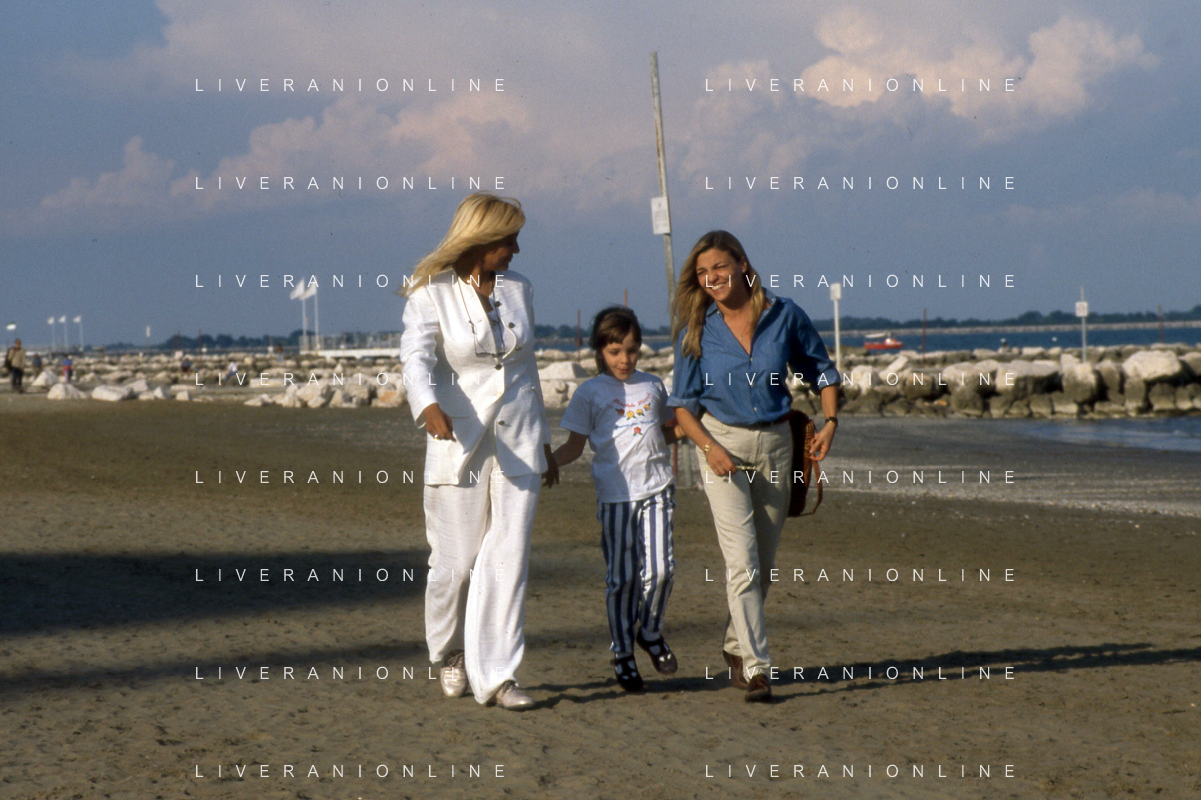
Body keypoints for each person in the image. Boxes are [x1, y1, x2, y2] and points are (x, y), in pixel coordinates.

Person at [399, 192, 557, 711]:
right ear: (482, 239)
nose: (516, 250)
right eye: (509, 240)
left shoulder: (520, 288)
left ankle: (498, 676)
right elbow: (415, 359)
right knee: (456, 562)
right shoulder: (431, 293)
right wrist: (427, 405)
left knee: (508, 558)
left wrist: (543, 437)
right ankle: (450, 652)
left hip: (519, 438)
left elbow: (526, 368)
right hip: (458, 440)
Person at [668, 230, 841, 703]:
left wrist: (830, 422)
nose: (711, 278)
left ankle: (734, 645)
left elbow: (823, 371)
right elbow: (681, 407)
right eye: (703, 273)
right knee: (741, 563)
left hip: (778, 446)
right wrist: (709, 448)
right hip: (721, 446)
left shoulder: (784, 315)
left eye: (719, 267)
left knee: (762, 567)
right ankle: (757, 668)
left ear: (742, 264)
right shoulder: (696, 330)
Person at [552, 306, 682, 692]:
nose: (624, 359)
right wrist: (547, 463)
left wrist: (694, 428)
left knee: (661, 571)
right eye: (614, 351)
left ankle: (650, 632)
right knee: (622, 578)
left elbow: (665, 432)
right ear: (600, 351)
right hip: (615, 498)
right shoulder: (589, 392)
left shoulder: (653, 386)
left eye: (631, 350)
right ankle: (623, 652)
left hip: (657, 488)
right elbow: (574, 446)